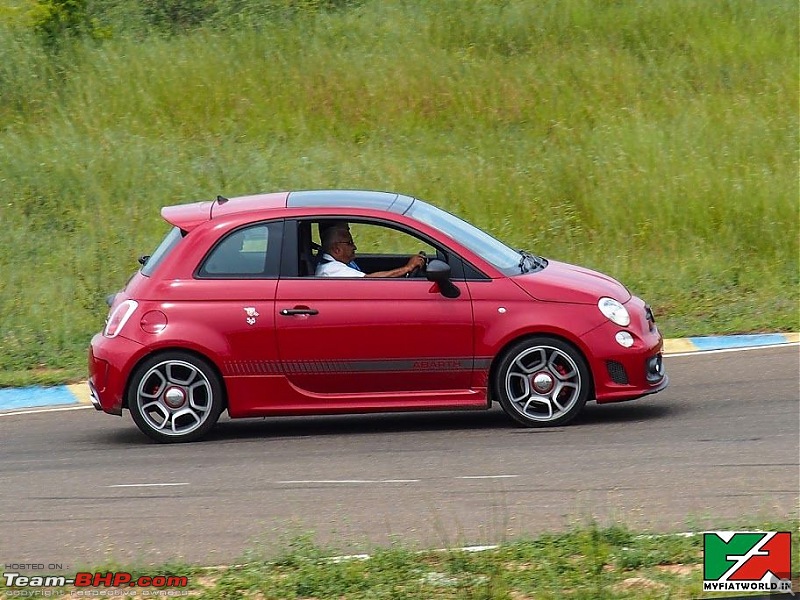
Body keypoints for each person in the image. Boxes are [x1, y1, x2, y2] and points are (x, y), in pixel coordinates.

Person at [315, 225, 426, 278]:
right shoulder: (331, 270)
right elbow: (369, 280)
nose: (354, 247)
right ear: (336, 249)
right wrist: (407, 268)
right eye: (349, 243)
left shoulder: (337, 264)